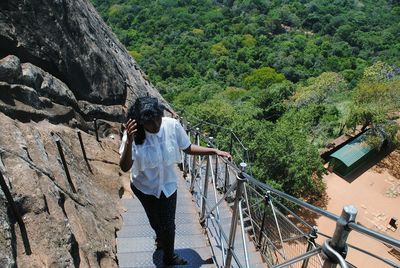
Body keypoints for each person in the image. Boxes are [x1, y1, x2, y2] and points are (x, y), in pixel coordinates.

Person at [119, 96, 231, 266]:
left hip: (168, 186)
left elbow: (187, 147)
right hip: (143, 187)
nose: (156, 126)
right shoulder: (133, 135)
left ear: (160, 114)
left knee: (169, 225)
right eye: (150, 124)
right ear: (141, 122)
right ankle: (160, 238)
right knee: (154, 220)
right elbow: (125, 167)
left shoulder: (171, 125)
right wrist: (129, 141)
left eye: (157, 120)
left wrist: (214, 151)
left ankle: (169, 257)